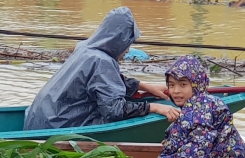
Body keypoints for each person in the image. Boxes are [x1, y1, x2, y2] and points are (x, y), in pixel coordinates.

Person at [23, 7, 177, 131]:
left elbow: (103, 81)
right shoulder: (102, 61)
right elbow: (114, 110)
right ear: (118, 41)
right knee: (112, 116)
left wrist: (143, 86)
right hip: (58, 126)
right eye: (127, 44)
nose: (128, 50)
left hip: (37, 118)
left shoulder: (84, 48)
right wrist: (154, 107)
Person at [148, 56, 245, 158]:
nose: (176, 91)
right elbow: (191, 129)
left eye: (183, 84)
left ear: (196, 84)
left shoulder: (201, 105)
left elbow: (199, 143)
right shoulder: (200, 101)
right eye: (171, 85)